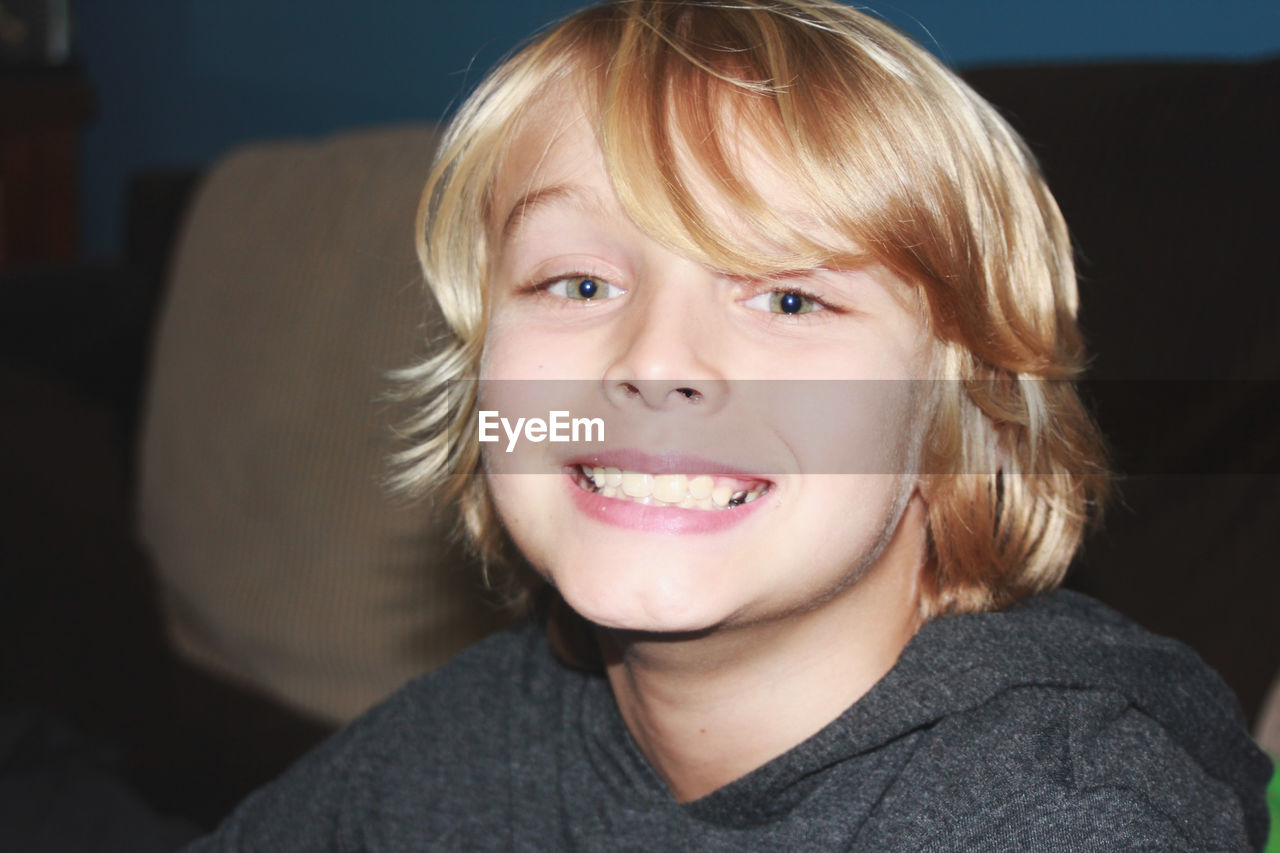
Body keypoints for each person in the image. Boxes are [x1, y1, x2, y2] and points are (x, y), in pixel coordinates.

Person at [188, 1, 1271, 848]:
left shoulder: (1066, 815)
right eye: (574, 284)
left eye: (788, 299)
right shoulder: (456, 746)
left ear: (963, 420)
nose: (654, 361)